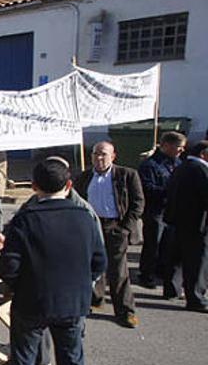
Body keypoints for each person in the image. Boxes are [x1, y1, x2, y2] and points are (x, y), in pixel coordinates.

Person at [0, 158, 106, 365]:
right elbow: (99, 262)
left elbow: (9, 267)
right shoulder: (85, 215)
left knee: (24, 360)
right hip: (73, 303)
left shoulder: (25, 219)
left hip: (32, 302)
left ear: (34, 186)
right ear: (69, 185)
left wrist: (21, 284)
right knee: (72, 360)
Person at [74, 141, 144, 328]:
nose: (99, 158)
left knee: (118, 271)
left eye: (103, 154)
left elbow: (138, 203)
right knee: (92, 266)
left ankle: (125, 310)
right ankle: (96, 300)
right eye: (96, 153)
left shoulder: (127, 175)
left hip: (115, 226)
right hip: (91, 226)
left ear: (113, 156)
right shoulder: (84, 177)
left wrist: (124, 228)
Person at [163, 140, 208, 312]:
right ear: (203, 153)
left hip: (177, 220)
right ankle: (196, 298)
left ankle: (172, 289)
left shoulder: (181, 167)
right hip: (197, 223)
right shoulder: (201, 170)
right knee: (197, 262)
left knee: (177, 259)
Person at [137, 131, 185, 288]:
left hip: (170, 210)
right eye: (179, 147)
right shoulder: (150, 165)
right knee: (153, 244)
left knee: (168, 244)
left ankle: (161, 271)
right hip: (155, 210)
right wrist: (170, 191)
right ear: (166, 146)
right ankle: (146, 274)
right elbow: (147, 188)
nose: (181, 151)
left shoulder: (177, 163)